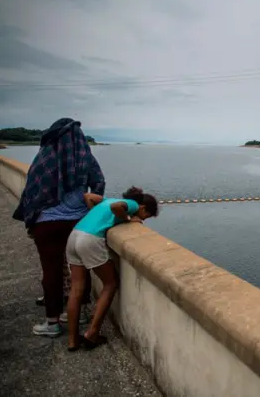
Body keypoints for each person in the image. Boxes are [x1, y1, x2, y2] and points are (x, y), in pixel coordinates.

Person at [13, 118, 105, 337]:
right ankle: (80, 313)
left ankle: (52, 322)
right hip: (79, 223)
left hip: (47, 224)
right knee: (79, 269)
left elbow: (32, 191)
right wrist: (85, 200)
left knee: (51, 272)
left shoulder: (45, 156)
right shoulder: (85, 157)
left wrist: (32, 217)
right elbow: (99, 184)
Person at [66, 186, 159, 351]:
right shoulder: (132, 204)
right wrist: (129, 218)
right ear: (143, 207)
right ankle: (92, 333)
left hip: (75, 235)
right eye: (147, 215)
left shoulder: (109, 199)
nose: (144, 219)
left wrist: (97, 217)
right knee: (110, 284)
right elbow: (116, 209)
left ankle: (72, 341)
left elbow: (88, 197)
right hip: (90, 240)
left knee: (76, 290)